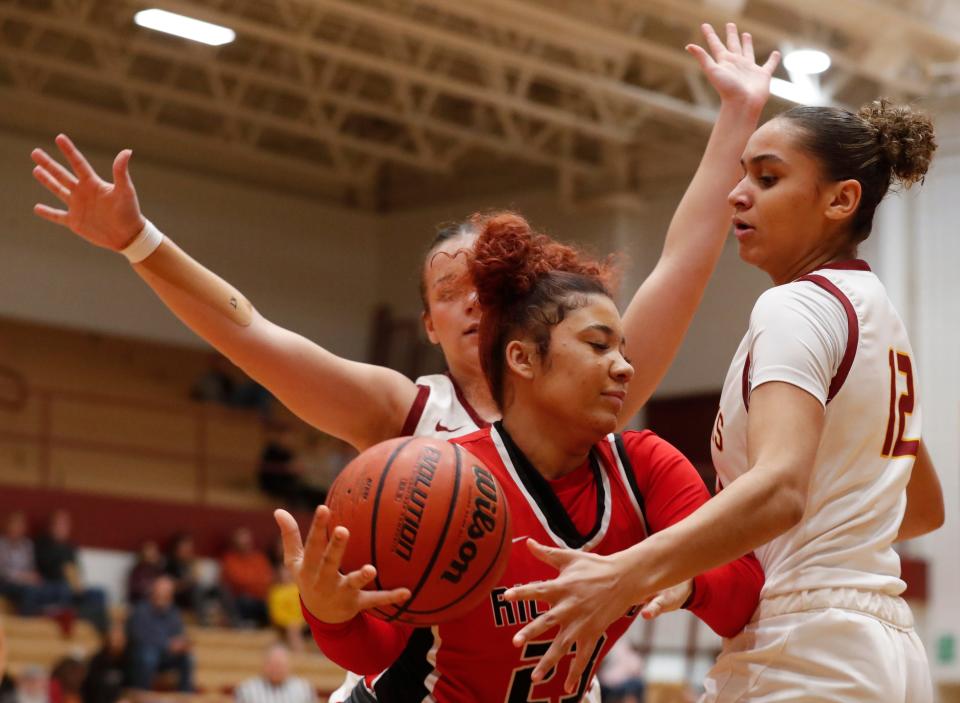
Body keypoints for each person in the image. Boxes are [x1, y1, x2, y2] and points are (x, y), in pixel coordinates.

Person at [29, 20, 777, 701]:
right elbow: (251, 333)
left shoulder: (593, 389)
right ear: (427, 322)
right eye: (450, 290)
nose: (473, 300)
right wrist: (138, 242)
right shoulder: (407, 415)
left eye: (488, 284)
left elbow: (682, 260)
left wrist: (736, 119)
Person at [500, 84, 945, 703]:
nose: (739, 193)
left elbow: (782, 489)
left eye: (768, 178)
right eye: (742, 175)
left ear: (840, 201)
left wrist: (627, 573)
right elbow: (920, 506)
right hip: (888, 646)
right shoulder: (877, 316)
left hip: (807, 643)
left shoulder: (795, 306)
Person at [277, 210, 766, 701]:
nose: (622, 367)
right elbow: (375, 655)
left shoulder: (646, 467)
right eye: (598, 345)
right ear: (523, 358)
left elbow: (741, 596)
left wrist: (666, 576)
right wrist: (329, 612)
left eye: (624, 351)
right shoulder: (449, 482)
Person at [32, 512, 107, 633]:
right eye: (60, 524)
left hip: (71, 584)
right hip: (50, 585)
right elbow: (44, 567)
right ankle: (66, 620)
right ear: (52, 526)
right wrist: (65, 570)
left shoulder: (70, 546)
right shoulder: (42, 543)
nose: (63, 528)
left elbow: (77, 568)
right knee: (64, 587)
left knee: (100, 592)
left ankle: (98, 627)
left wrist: (77, 581)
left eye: (65, 525)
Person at [125, 576, 193, 692]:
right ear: (153, 592)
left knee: (188, 657)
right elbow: (140, 637)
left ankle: (185, 695)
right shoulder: (141, 610)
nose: (163, 596)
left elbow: (179, 633)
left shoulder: (174, 613)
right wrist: (167, 644)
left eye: (166, 593)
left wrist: (182, 643)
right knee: (148, 655)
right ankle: (142, 693)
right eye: (160, 592)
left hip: (166, 656)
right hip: (141, 654)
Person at [0, 513, 72, 617]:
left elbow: (32, 567)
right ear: (7, 526)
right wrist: (22, 577)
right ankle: (25, 620)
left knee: (59, 587)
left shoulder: (27, 545)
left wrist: (33, 577)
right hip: (7, 583)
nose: (17, 528)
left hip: (27, 581)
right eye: (15, 525)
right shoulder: (2, 545)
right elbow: (3, 571)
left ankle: (54, 615)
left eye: (20, 525)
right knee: (30, 591)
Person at [220, 527, 273, 628]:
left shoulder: (259, 558)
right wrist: (255, 582)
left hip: (261, 598)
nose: (245, 543)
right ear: (235, 542)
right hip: (240, 599)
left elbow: (267, 579)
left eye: (247, 541)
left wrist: (253, 583)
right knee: (245, 601)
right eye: (241, 540)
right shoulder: (229, 559)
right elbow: (237, 581)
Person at [234, 644, 315, 703]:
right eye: (272, 665)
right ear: (264, 665)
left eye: (279, 665)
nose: (276, 670)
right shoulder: (247, 689)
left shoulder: (303, 689)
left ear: (289, 666)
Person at [81, 623, 129, 703]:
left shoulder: (127, 660)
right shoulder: (97, 661)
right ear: (107, 639)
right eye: (115, 639)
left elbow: (127, 688)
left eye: (120, 639)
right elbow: (92, 690)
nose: (117, 643)